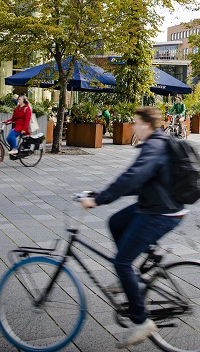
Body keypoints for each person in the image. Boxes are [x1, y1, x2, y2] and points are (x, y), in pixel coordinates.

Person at [78, 107, 185, 348]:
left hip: (163, 212)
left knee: (121, 262)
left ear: (147, 124)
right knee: (115, 222)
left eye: (136, 122)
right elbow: (138, 183)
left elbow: (132, 177)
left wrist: (98, 200)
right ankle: (131, 277)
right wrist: (101, 194)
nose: (134, 126)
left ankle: (141, 321)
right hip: (156, 204)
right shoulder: (156, 143)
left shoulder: (154, 147)